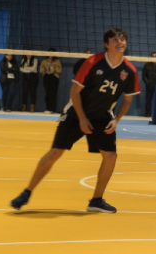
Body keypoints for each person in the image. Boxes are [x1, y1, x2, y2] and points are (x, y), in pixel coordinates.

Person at [9, 29, 138, 213]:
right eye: (114, 39)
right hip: (77, 113)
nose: (120, 42)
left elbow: (127, 98)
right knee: (55, 152)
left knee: (110, 157)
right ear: (106, 44)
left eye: (122, 39)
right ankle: (26, 193)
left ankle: (96, 201)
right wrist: (82, 119)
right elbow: (74, 92)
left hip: (103, 116)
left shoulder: (130, 70)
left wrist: (116, 120)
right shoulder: (92, 62)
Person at [141, 52, 156, 117]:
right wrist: (148, 83)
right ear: (151, 57)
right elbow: (144, 76)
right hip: (150, 86)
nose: (154, 57)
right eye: (153, 56)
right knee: (148, 100)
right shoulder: (147, 65)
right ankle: (148, 113)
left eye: (155, 56)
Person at [40, 49, 63, 113]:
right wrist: (45, 68)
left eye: (52, 53)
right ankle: (47, 108)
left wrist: (54, 67)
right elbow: (40, 69)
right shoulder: (44, 61)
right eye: (49, 53)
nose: (51, 54)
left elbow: (60, 70)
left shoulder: (57, 61)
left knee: (53, 93)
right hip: (46, 77)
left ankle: (52, 109)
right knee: (47, 93)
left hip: (54, 77)